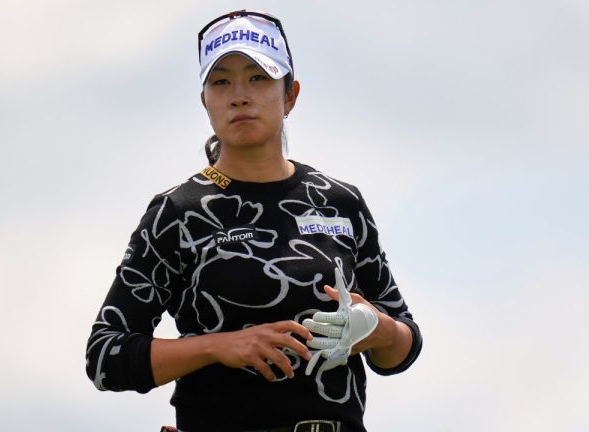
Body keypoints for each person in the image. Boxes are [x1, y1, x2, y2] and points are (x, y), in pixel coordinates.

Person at [85, 10, 422, 432]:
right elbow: (105, 357)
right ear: (205, 100)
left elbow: (403, 347)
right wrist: (221, 347)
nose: (239, 95)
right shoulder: (179, 211)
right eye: (221, 81)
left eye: (258, 77)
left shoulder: (340, 202)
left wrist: (378, 329)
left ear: (290, 95)